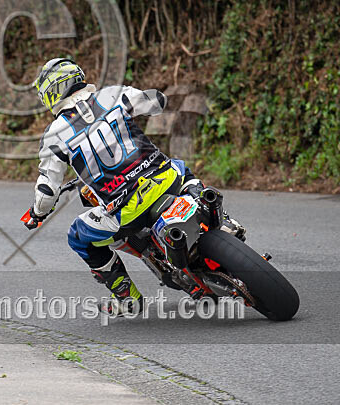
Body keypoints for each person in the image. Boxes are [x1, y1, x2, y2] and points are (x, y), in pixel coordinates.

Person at [23, 58, 216, 313]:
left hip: (127, 212)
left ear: (53, 93)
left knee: (78, 237)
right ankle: (219, 218)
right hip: (166, 180)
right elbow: (157, 102)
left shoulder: (54, 135)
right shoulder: (112, 95)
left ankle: (128, 297)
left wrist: (38, 213)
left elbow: (47, 191)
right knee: (181, 169)